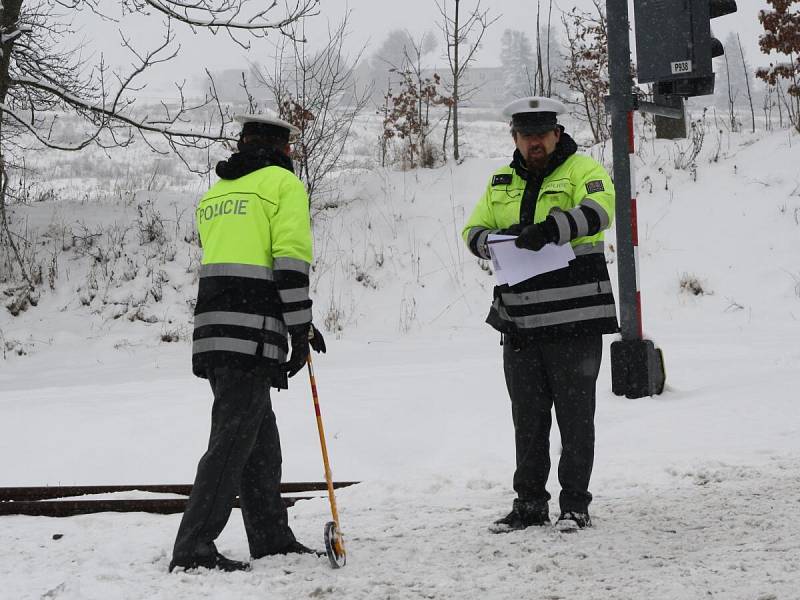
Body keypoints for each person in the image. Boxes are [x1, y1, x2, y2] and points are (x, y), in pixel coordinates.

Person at [169, 113, 326, 573]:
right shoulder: (282, 186)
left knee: (258, 439)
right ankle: (193, 546)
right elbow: (289, 263)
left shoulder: (218, 193)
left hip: (214, 331)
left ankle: (271, 536)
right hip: (252, 333)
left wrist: (297, 325)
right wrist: (301, 326)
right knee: (233, 440)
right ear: (284, 150)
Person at [462, 96, 619, 532]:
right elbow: (471, 230)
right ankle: (529, 505)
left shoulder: (582, 170)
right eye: (525, 135)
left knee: (574, 419)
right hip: (520, 324)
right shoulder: (500, 180)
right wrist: (494, 240)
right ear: (515, 137)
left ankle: (575, 505)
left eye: (541, 135)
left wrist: (551, 230)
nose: (534, 142)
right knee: (527, 422)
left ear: (556, 134)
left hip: (574, 320)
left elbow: (601, 211)